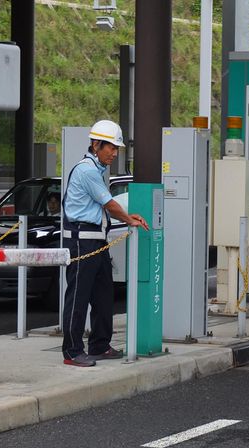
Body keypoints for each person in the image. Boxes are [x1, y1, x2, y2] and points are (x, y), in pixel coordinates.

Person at [61, 120, 149, 367]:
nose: (114, 152)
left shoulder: (96, 170)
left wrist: (128, 217)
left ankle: (99, 345)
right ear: (96, 144)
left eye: (116, 148)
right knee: (78, 297)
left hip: (96, 242)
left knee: (103, 295)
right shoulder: (87, 170)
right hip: (81, 242)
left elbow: (108, 205)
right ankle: (72, 351)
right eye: (110, 147)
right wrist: (129, 219)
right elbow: (109, 203)